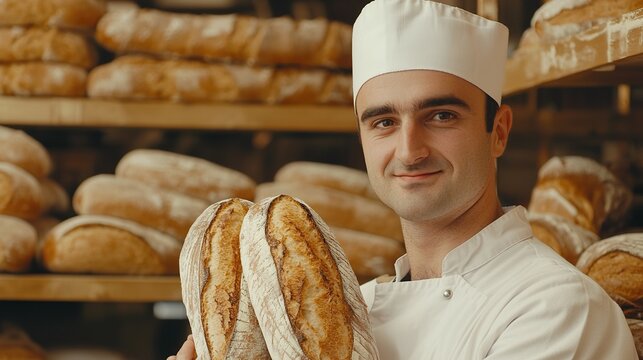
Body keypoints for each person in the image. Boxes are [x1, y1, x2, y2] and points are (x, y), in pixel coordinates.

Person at [170, 1, 638, 359]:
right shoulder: (358, 309)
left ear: (498, 132)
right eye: (383, 122)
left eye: (440, 115)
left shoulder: (558, 309)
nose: (410, 150)